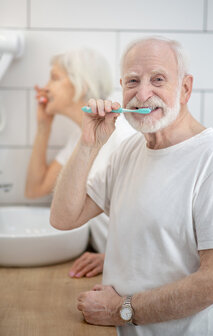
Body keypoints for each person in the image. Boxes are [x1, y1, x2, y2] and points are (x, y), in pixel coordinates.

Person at [50, 37, 213, 336]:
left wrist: (119, 308)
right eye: (133, 81)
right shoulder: (128, 151)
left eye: (158, 79)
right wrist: (88, 144)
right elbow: (64, 218)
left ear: (186, 88)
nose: (143, 93)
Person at [25, 48, 135, 278]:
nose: (45, 87)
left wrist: (112, 258)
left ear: (81, 85)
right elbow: (35, 189)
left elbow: (150, 217)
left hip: (132, 267)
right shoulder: (80, 138)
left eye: (54, 78)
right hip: (117, 265)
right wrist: (44, 126)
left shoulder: (123, 136)